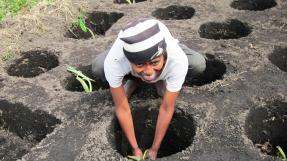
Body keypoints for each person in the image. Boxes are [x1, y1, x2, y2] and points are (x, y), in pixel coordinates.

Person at [92, 17, 206, 160]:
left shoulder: (177, 59)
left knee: (197, 64)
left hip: (168, 51)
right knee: (98, 67)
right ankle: (134, 80)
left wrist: (155, 148)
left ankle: (162, 79)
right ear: (128, 60)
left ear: (164, 56)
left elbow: (166, 108)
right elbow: (122, 109)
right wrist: (135, 148)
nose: (149, 71)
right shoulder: (115, 60)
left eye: (155, 63)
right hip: (123, 56)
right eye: (139, 64)